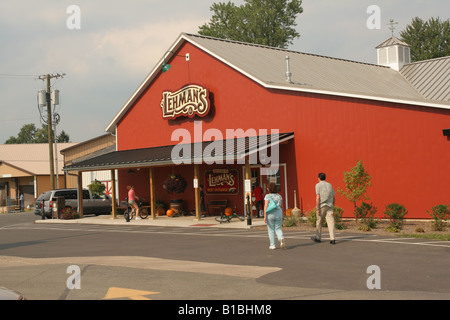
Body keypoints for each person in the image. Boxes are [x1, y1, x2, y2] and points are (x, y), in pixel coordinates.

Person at [311, 173, 336, 244]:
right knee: (331, 222)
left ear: (318, 178)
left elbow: (318, 197)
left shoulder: (318, 185)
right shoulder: (330, 185)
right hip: (329, 206)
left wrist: (317, 208)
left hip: (322, 205)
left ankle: (318, 237)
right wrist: (332, 206)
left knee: (319, 222)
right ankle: (332, 238)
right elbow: (334, 197)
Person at [264, 182, 286, 250]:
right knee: (278, 228)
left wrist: (265, 216)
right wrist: (283, 216)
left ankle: (272, 245)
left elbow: (266, 206)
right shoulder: (279, 196)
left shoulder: (267, 196)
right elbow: (282, 206)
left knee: (271, 230)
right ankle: (281, 238)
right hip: (278, 213)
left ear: (269, 189)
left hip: (270, 214)